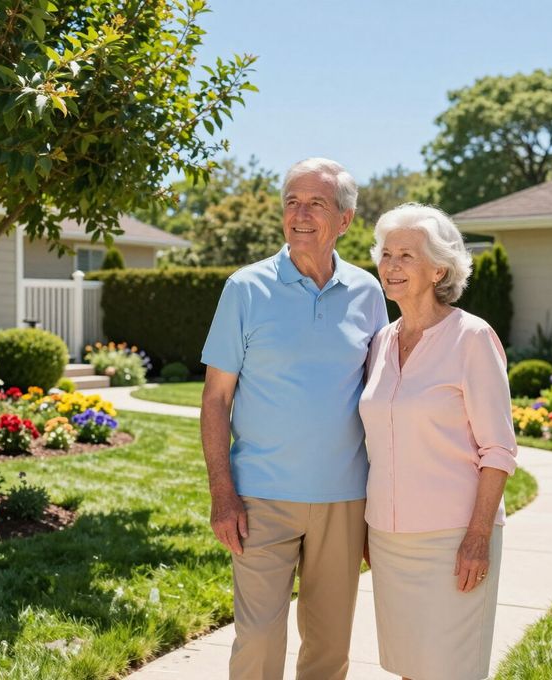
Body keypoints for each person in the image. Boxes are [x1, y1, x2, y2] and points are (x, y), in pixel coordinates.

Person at [201, 158, 388, 680]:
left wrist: (380, 502)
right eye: (291, 202)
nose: (300, 214)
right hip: (260, 497)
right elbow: (216, 399)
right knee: (259, 640)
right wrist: (222, 492)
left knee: (330, 647)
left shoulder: (369, 294)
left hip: (344, 499)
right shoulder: (245, 288)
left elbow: (381, 399)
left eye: (316, 204)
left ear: (345, 220)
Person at [359, 203, 517, 680]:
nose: (391, 266)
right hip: (388, 539)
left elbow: (499, 450)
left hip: (454, 540)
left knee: (451, 669)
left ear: (439, 268)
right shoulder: (381, 343)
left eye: (406, 255)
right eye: (386, 254)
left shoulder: (471, 338)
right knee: (409, 668)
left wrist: (477, 537)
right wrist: (370, 528)